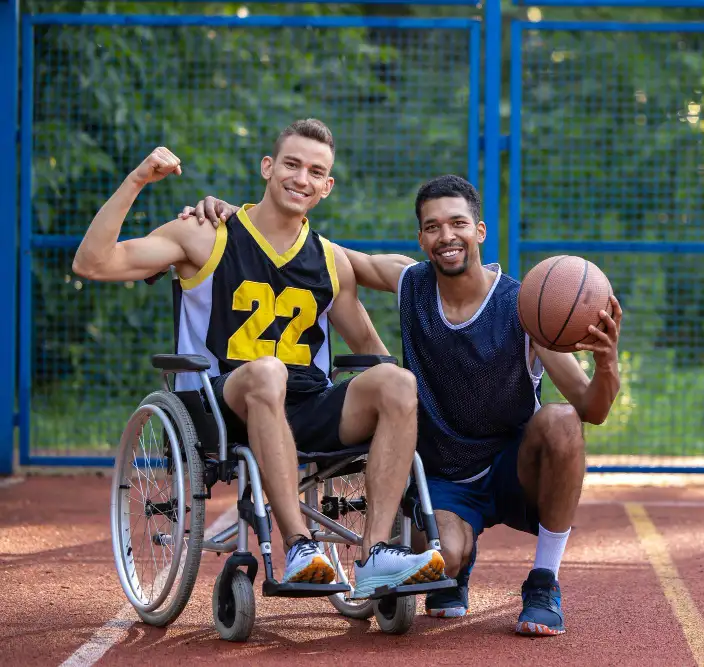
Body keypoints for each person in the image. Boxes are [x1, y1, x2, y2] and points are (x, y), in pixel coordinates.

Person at [182, 174, 623, 636]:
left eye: (457, 223)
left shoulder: (526, 307)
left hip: (510, 466)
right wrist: (241, 219)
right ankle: (458, 563)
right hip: (445, 480)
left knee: (561, 420)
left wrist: (608, 366)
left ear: (479, 231)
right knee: (441, 562)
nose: (446, 236)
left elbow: (591, 408)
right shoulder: (410, 283)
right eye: (432, 227)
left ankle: (543, 581)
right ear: (420, 238)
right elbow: (309, 247)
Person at [72, 119, 445, 598]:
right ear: (268, 167)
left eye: (315, 171)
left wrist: (410, 405)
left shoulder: (332, 262)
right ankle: (299, 547)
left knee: (395, 381)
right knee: (268, 372)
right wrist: (139, 178)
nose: (301, 178)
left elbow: (373, 355)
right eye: (291, 164)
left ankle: (374, 556)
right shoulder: (205, 234)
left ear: (327, 187)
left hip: (306, 406)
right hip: (222, 405)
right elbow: (92, 263)